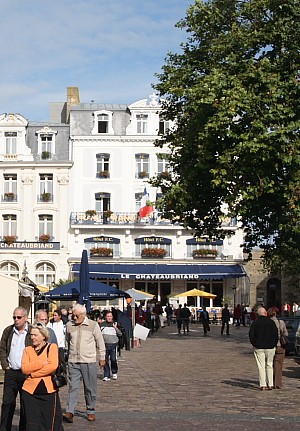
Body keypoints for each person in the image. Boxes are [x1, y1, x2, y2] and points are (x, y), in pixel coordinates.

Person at [63, 304, 106, 423]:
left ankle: (90, 410)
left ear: (84, 315)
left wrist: (102, 357)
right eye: (73, 315)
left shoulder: (93, 325)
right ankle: (70, 411)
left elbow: (100, 342)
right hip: (73, 361)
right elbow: (67, 341)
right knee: (73, 387)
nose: (74, 318)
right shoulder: (69, 325)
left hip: (88, 361)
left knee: (90, 387)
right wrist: (67, 355)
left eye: (76, 316)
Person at [21, 323, 63, 430]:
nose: (32, 338)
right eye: (31, 335)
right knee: (33, 423)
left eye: (35, 335)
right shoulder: (27, 350)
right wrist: (42, 363)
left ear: (43, 336)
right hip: (30, 392)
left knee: (51, 422)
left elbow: (52, 366)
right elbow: (25, 368)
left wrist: (33, 374)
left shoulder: (52, 347)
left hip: (49, 391)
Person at [0, 307, 32, 431]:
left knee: (25, 404)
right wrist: (5, 365)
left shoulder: (32, 331)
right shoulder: (8, 330)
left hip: (26, 373)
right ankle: (4, 428)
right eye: (14, 317)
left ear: (25, 318)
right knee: (8, 403)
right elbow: (2, 348)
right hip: (11, 372)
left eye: (19, 317)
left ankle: (23, 428)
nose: (16, 320)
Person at [249, 307, 278, 390]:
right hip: (270, 347)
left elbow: (251, 335)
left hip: (259, 347)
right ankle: (271, 384)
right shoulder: (271, 322)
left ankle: (263, 384)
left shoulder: (255, 323)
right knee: (269, 365)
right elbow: (276, 335)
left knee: (261, 366)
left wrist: (254, 344)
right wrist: (273, 344)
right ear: (265, 313)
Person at [267, 307, 288, 389]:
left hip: (270, 346)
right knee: (278, 365)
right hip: (280, 346)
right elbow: (286, 334)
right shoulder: (281, 322)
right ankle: (278, 383)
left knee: (269, 364)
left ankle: (270, 381)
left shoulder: (268, 323)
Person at [100, 311, 122, 381]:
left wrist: (115, 328)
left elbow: (120, 334)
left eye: (110, 316)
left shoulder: (115, 324)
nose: (109, 318)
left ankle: (114, 372)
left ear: (112, 317)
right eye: (108, 316)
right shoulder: (102, 324)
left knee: (113, 359)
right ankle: (106, 375)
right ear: (105, 317)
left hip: (113, 344)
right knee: (105, 360)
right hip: (105, 345)